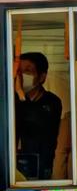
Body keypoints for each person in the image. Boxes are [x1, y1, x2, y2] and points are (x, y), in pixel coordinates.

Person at [14, 52, 63, 182]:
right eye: (19, 72)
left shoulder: (52, 102)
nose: (21, 77)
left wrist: (20, 93)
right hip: (14, 167)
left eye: (27, 71)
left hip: (41, 169)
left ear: (42, 77)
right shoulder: (12, 100)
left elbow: (35, 121)